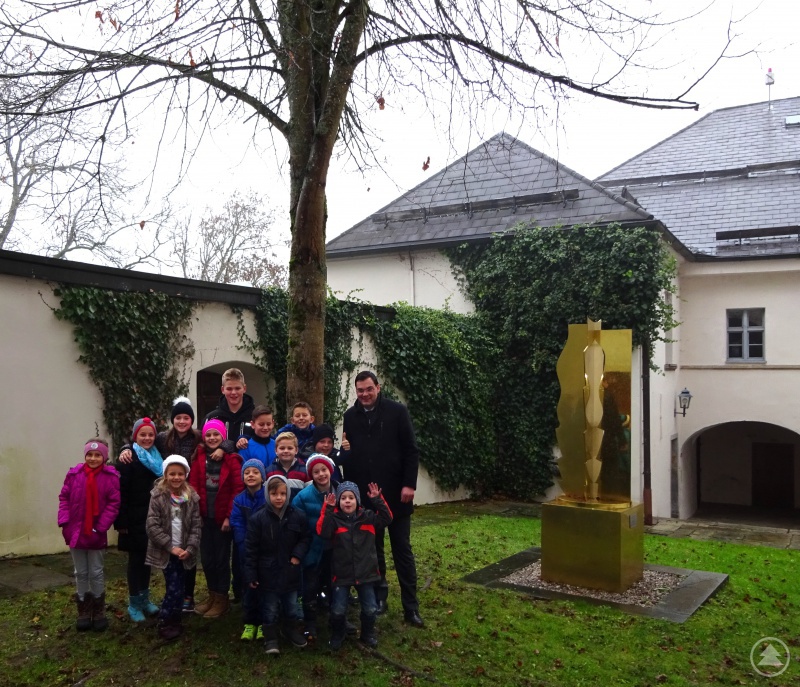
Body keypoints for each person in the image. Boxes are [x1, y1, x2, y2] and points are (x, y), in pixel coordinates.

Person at [341, 370, 424, 627]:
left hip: (397, 494)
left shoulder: (397, 412)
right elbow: (350, 456)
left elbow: (411, 450)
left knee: (403, 551)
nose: (365, 394)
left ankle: (411, 607)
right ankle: (379, 598)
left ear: (378, 387)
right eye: (360, 390)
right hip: (366, 498)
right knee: (372, 553)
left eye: (369, 389)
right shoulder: (350, 417)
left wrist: (409, 484)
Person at [117, 397, 202, 611]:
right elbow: (139, 441)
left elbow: (217, 440)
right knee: (146, 557)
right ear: (172, 420)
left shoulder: (198, 438)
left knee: (183, 549)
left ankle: (185, 596)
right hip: (154, 506)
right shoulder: (163, 439)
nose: (182, 421)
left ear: (191, 420)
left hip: (185, 500)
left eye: (186, 417)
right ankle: (140, 601)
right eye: (178, 417)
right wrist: (126, 447)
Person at [317, 480, 392, 650]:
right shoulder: (334, 519)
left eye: (351, 497)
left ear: (357, 500)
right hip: (341, 574)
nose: (347, 501)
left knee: (371, 608)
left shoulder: (368, 517)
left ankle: (367, 633)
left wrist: (378, 500)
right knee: (337, 609)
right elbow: (322, 531)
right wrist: (327, 509)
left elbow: (387, 518)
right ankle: (338, 633)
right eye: (343, 498)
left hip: (366, 573)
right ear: (338, 501)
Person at [58, 438, 120, 631]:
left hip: (95, 532)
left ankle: (99, 610)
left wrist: (101, 526)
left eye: (97, 455)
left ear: (104, 457)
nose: (93, 458)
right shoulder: (74, 474)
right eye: (90, 455)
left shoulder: (110, 477)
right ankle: (84, 609)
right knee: (81, 572)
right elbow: (64, 497)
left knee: (96, 571)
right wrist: (65, 521)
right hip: (76, 532)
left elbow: (113, 503)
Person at [244, 474, 310, 654]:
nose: (279, 498)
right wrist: (251, 574)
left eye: (282, 493)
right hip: (268, 574)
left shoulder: (298, 516)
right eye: (274, 494)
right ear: (267, 495)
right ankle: (271, 637)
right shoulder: (258, 519)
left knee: (291, 606)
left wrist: (297, 555)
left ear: (288, 494)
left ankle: (289, 630)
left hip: (290, 572)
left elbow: (305, 538)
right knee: (270, 608)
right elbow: (251, 549)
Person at [188, 419, 243, 619]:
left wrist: (229, 517)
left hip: (222, 521)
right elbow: (193, 484)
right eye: (208, 435)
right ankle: (212, 594)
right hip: (205, 518)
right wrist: (197, 514)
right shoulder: (199, 457)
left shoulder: (232, 459)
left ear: (223, 437)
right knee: (208, 560)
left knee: (221, 560)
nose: (212, 438)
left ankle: (222, 598)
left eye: (216, 435)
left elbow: (237, 490)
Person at [145, 455, 201, 640]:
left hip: (184, 551)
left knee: (181, 585)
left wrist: (191, 548)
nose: (176, 477)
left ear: (185, 474)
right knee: (174, 586)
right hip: (167, 551)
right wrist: (169, 546)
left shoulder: (191, 497)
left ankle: (175, 616)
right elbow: (152, 525)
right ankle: (166, 619)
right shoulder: (158, 497)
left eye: (180, 474)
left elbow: (195, 525)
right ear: (165, 475)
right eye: (172, 474)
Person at [114, 417, 163, 622]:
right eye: (142, 435)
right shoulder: (128, 459)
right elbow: (120, 493)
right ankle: (134, 603)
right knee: (135, 561)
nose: (147, 438)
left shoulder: (157, 456)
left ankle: (145, 599)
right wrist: (121, 522)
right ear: (135, 437)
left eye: (150, 434)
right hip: (132, 519)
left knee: (147, 560)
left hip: (151, 517)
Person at [291, 453, 340, 640]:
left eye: (324, 470)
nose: (321, 474)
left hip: (336, 550)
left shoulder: (340, 492)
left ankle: (337, 618)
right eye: (316, 471)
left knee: (336, 584)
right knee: (310, 586)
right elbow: (297, 525)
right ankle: (310, 622)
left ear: (330, 471)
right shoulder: (304, 497)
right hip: (313, 549)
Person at [230, 458, 268, 641]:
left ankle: (263, 623)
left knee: (265, 588)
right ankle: (249, 622)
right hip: (246, 552)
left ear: (263, 476)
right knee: (249, 587)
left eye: (255, 472)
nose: (251, 475)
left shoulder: (269, 497)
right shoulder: (239, 500)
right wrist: (244, 546)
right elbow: (237, 524)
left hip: (266, 552)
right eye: (247, 473)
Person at [204, 367, 256, 453]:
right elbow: (203, 445)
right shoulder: (211, 418)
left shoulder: (255, 416)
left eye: (237, 388)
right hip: (219, 465)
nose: (233, 393)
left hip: (250, 465)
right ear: (222, 390)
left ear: (244, 388)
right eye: (229, 389)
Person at [266, 431, 310, 500]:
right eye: (282, 448)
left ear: (296, 450)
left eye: (290, 448)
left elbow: (308, 495)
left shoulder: (305, 471)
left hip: (297, 509)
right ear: (276, 451)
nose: (286, 451)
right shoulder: (269, 472)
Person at [236, 405, 277, 469]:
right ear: (252, 424)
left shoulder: (277, 445)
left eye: (268, 424)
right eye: (261, 424)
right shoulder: (246, 447)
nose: (265, 428)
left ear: (273, 423)